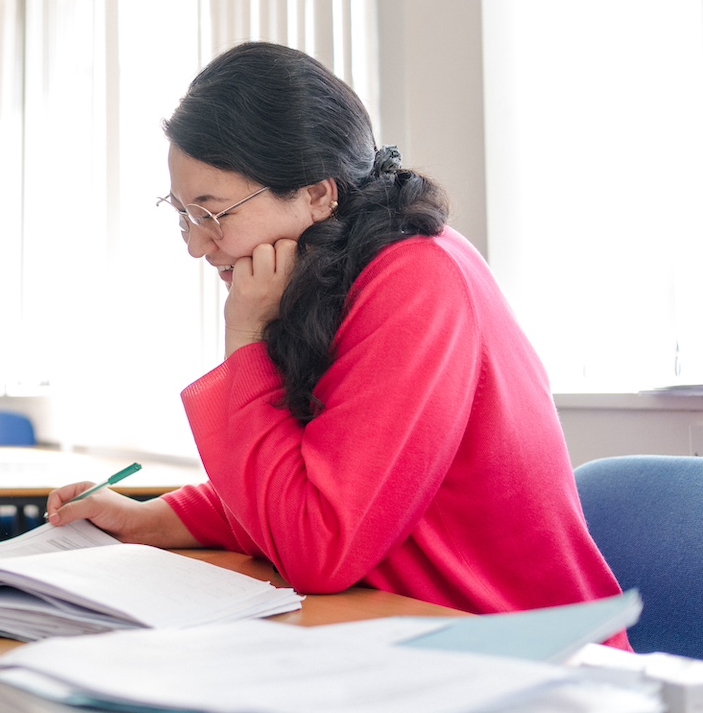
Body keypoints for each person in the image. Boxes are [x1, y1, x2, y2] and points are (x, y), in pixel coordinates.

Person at [47, 41, 628, 645]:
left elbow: (318, 545)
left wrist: (246, 341)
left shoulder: (416, 280)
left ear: (319, 194)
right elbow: (305, 482)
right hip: (418, 635)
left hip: (525, 654)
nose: (197, 245)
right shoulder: (337, 278)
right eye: (184, 213)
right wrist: (150, 521)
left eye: (213, 213)